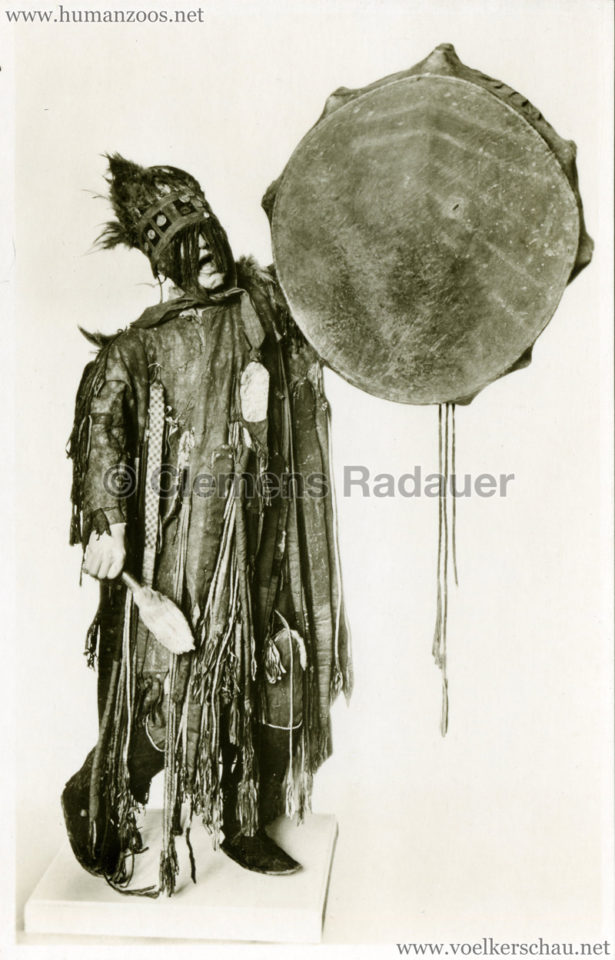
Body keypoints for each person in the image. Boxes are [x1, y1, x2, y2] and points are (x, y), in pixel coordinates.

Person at [62, 155, 352, 895]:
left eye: (210, 240)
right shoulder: (139, 348)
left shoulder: (264, 309)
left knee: (267, 669)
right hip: (181, 551)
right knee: (173, 687)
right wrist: (105, 521)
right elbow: (102, 429)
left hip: (260, 532)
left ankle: (241, 819)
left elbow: (330, 295)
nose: (205, 259)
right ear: (163, 263)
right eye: (185, 250)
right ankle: (102, 788)